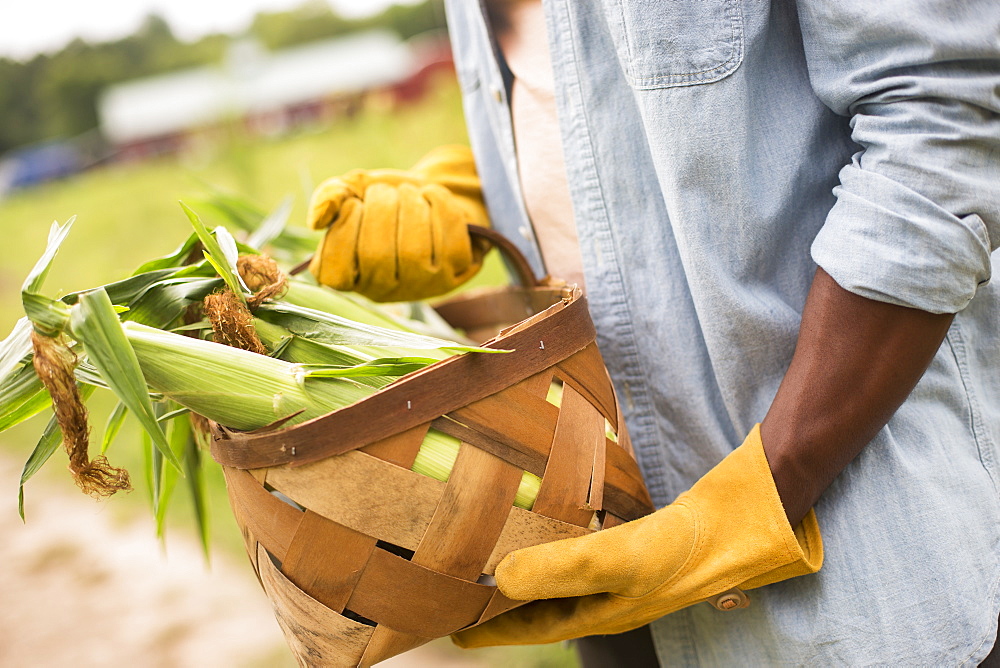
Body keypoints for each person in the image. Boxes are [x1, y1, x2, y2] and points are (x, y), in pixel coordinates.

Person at [306, 0, 1000, 664]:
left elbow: (942, 124)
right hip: (608, 575)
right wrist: (486, 187)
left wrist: (761, 500)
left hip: (864, 577)